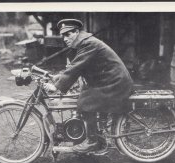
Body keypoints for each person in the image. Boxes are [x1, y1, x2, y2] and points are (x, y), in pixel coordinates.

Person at [43, 19, 133, 153]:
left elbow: (77, 66)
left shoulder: (88, 43)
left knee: (85, 100)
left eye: (68, 34)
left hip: (115, 82)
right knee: (84, 93)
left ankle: (92, 142)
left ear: (77, 32)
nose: (65, 38)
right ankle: (96, 136)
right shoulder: (84, 43)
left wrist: (56, 86)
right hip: (109, 80)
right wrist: (59, 77)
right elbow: (77, 66)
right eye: (63, 35)